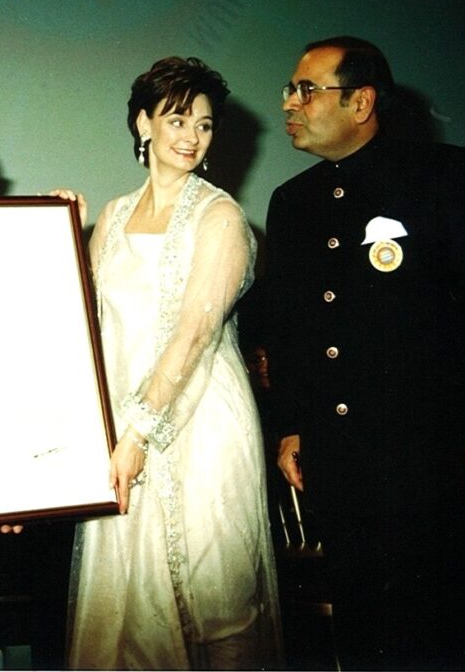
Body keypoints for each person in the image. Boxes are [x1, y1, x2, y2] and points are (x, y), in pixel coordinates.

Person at [264, 36, 465, 669]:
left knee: (458, 631)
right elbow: (294, 328)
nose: (289, 103)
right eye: (289, 90)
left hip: (436, 464)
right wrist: (294, 424)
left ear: (362, 102)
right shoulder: (291, 203)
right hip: (343, 464)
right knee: (369, 636)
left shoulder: (443, 176)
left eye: (307, 90)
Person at [67, 57, 280, 670]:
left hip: (203, 424)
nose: (191, 136)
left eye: (206, 125)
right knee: (127, 604)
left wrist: (137, 431)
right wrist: (54, 227)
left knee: (219, 605)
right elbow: (85, 322)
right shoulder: (110, 217)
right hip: (124, 429)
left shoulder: (222, 218)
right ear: (144, 123)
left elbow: (193, 335)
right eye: (178, 118)